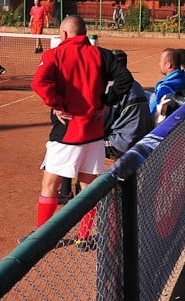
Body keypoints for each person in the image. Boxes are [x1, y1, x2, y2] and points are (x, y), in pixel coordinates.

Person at [26, 15, 134, 248]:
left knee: (50, 185)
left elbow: (38, 83)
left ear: (63, 34)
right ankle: (83, 237)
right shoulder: (102, 54)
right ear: (85, 33)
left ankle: (42, 238)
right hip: (94, 133)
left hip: (67, 134)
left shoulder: (54, 55)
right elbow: (125, 80)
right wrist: (106, 102)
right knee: (88, 188)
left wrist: (57, 103)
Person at [103, 49, 153, 159]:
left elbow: (104, 123)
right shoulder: (136, 84)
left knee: (91, 143)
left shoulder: (114, 87)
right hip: (142, 139)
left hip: (125, 143)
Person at [148, 48, 185, 117]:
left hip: (166, 119)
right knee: (147, 94)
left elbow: (153, 110)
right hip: (184, 112)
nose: (159, 64)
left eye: (161, 61)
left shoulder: (165, 88)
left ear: (168, 65)